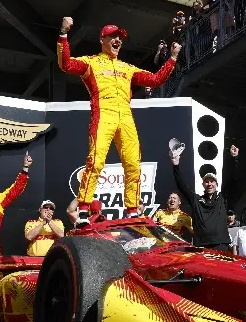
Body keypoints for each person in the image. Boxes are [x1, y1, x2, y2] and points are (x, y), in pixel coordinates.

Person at [57, 17, 181, 226]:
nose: (117, 40)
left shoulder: (128, 68)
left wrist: (173, 58)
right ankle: (85, 209)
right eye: (113, 37)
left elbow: (155, 80)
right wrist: (63, 34)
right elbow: (66, 64)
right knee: (95, 162)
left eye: (120, 38)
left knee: (134, 164)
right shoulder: (91, 62)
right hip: (103, 113)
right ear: (102, 40)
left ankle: (133, 210)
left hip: (125, 116)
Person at [171, 144, 240, 251]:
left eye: (212, 181)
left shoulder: (222, 198)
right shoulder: (196, 200)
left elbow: (233, 180)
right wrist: (176, 165)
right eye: (206, 181)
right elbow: (181, 185)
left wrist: (234, 158)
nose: (209, 184)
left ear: (216, 184)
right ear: (203, 184)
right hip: (201, 245)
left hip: (220, 244)